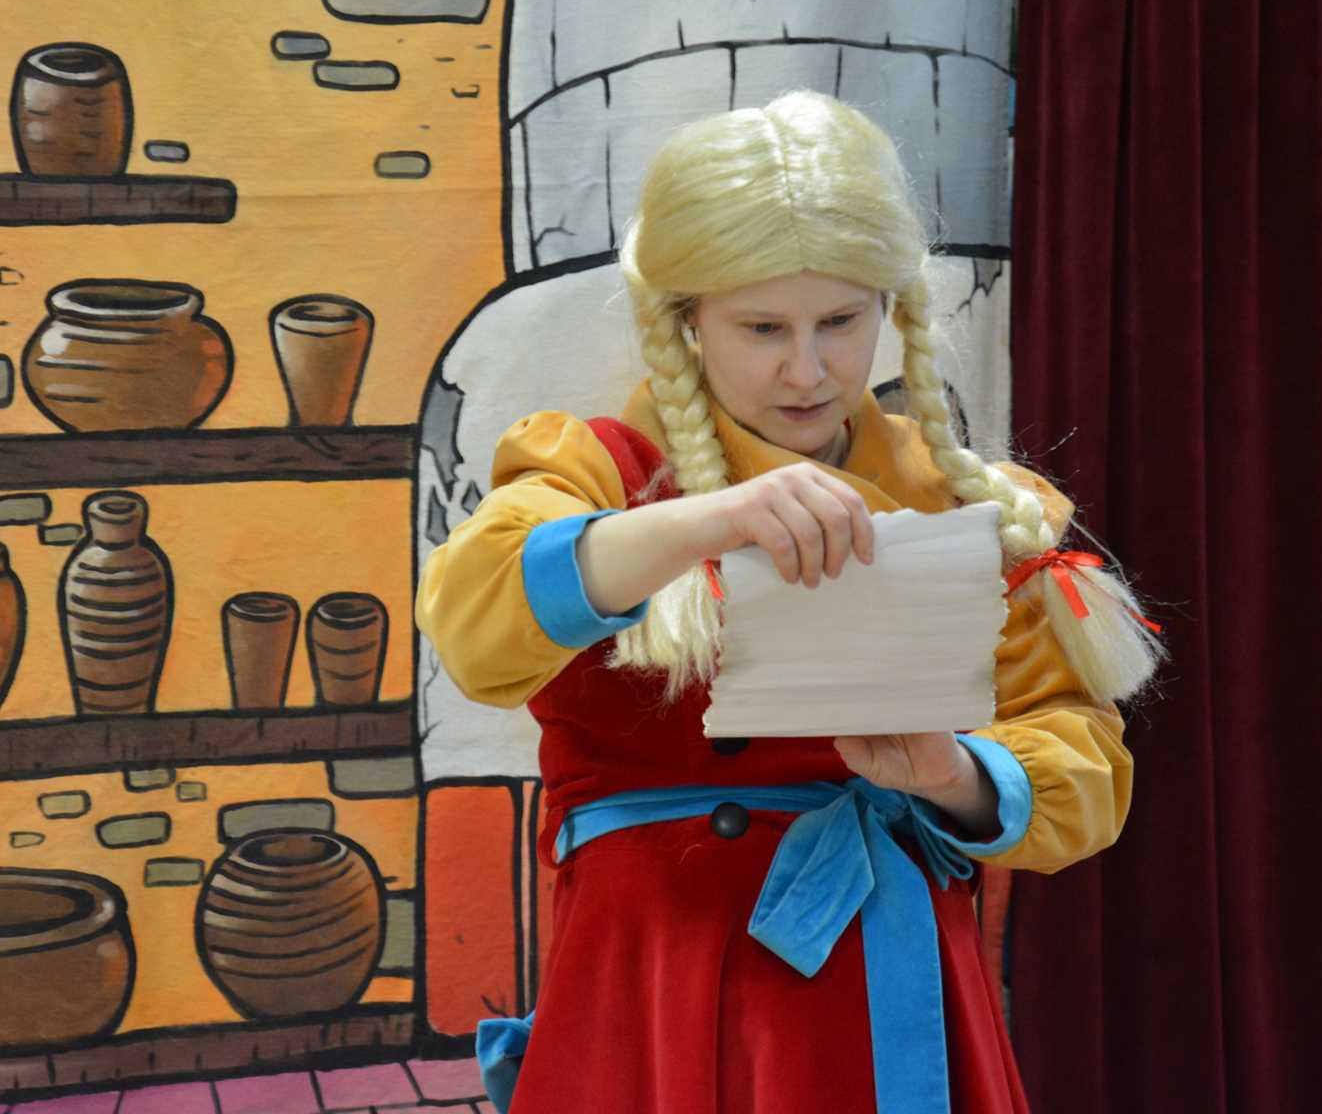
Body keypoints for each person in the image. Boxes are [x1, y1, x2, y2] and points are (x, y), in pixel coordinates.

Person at [415, 90, 1161, 1114]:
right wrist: (706, 522)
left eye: (841, 322)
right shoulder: (597, 473)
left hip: (889, 986)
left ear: (890, 307)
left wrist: (952, 775)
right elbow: (472, 620)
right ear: (686, 320)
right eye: (762, 326)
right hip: (658, 989)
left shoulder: (968, 506)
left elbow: (1086, 767)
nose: (808, 370)